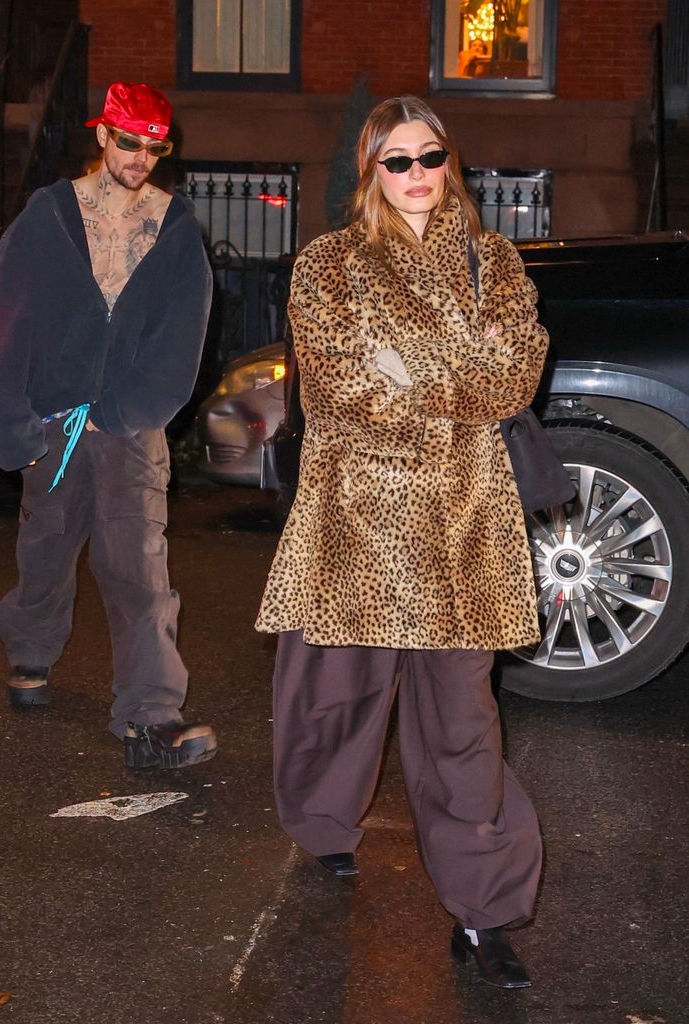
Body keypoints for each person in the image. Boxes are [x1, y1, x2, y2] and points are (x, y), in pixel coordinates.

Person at [256, 95, 547, 989]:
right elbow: (337, 392)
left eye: (430, 158)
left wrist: (408, 369)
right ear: (369, 170)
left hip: (464, 526)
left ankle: (483, 910)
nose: (418, 176)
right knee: (333, 701)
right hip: (356, 523)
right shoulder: (329, 265)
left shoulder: (491, 260)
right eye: (398, 161)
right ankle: (320, 825)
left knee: (463, 731)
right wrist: (456, 369)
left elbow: (516, 373)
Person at [0, 81, 217, 771]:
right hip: (51, 420)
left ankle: (152, 714)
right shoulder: (48, 217)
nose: (139, 157)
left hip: (129, 427)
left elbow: (182, 337)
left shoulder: (174, 228)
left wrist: (130, 412)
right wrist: (11, 424)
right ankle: (29, 650)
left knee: (138, 564)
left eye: (152, 147)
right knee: (47, 549)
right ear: (102, 137)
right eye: (128, 142)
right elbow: (3, 324)